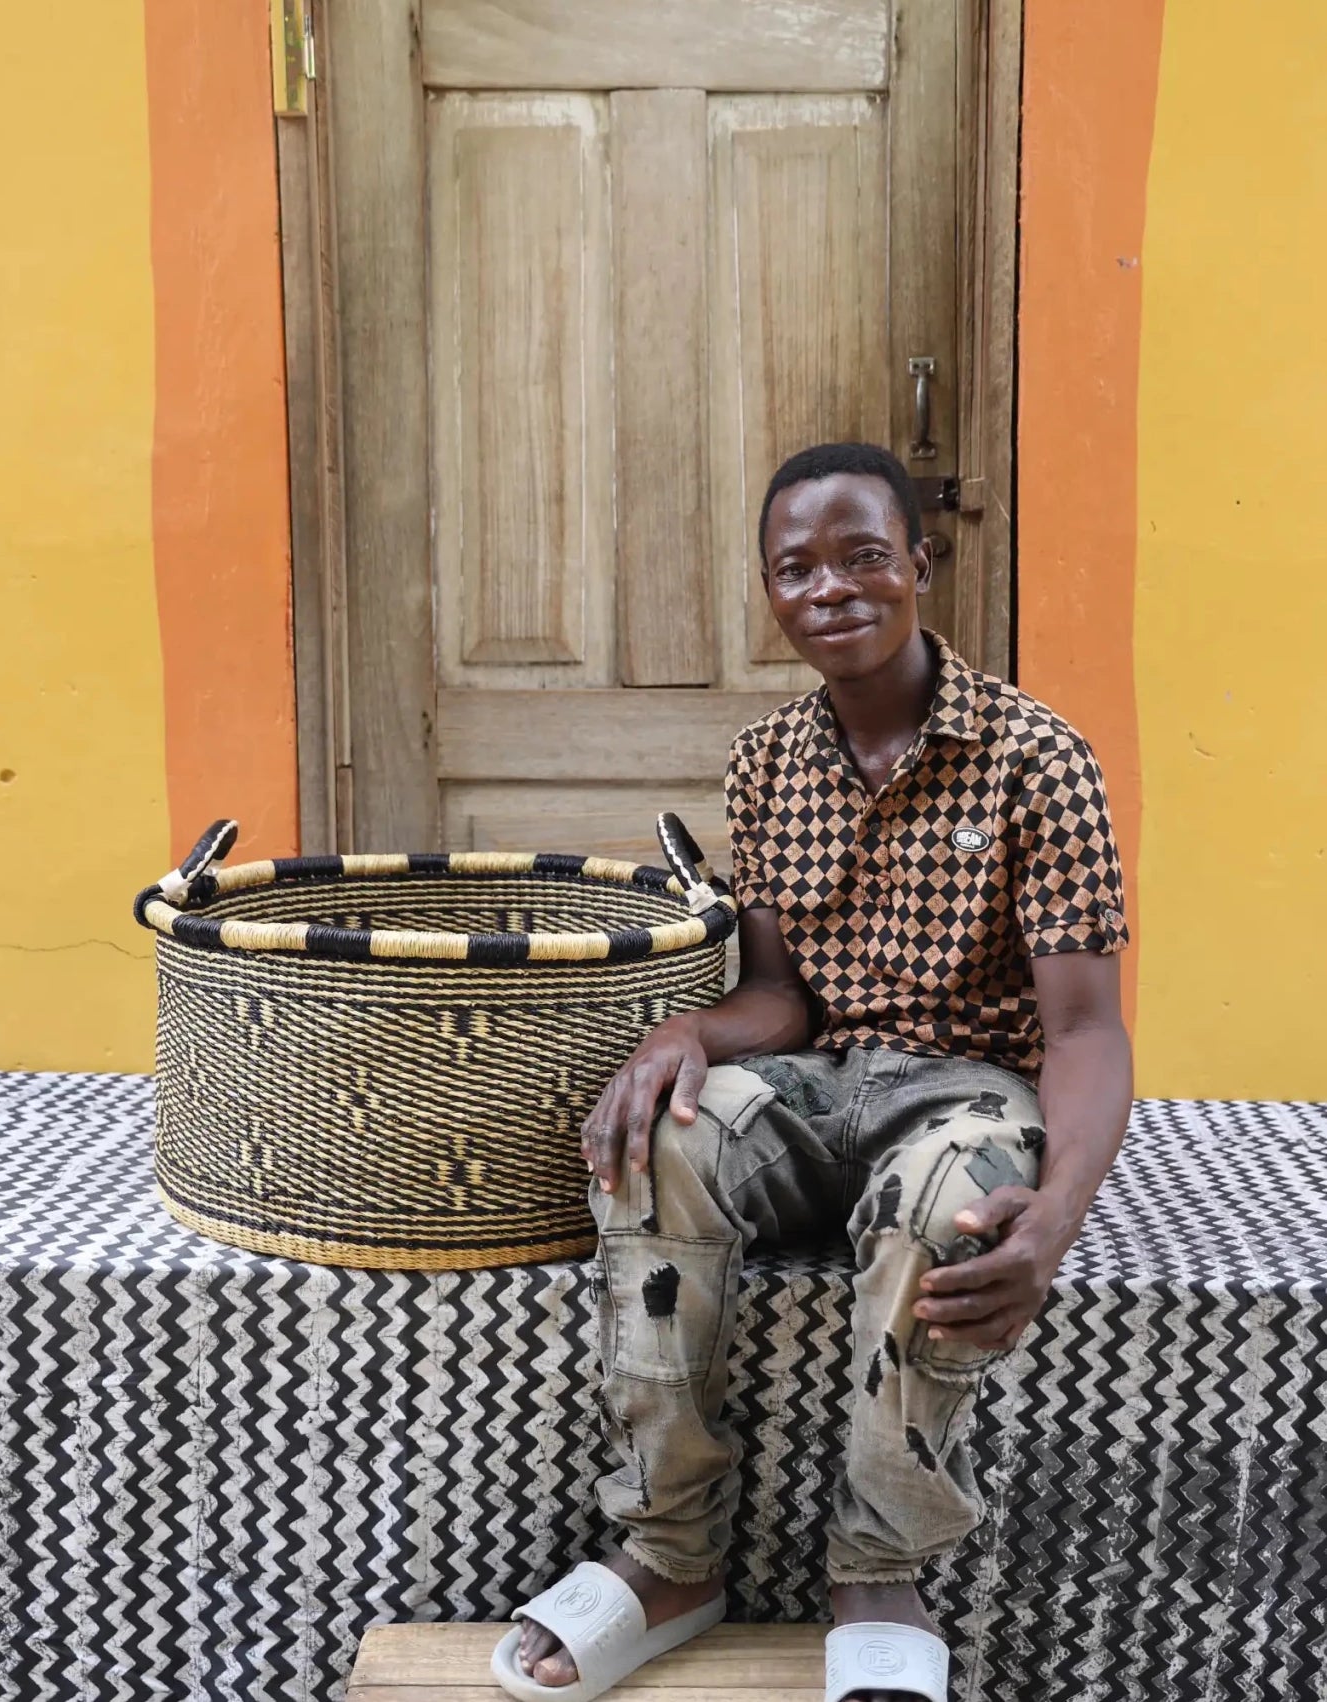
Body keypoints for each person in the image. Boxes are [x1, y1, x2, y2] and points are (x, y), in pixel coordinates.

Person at [490, 442, 1133, 1702]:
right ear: (771, 592)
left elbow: (1085, 1035)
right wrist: (689, 1034)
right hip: (824, 1079)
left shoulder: (1036, 759)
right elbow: (780, 997)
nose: (831, 587)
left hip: (967, 1086)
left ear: (920, 567)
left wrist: (1052, 1221)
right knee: (659, 1134)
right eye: (797, 568)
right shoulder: (769, 761)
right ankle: (670, 1553)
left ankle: (879, 1568)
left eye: (863, 556)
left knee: (947, 1198)